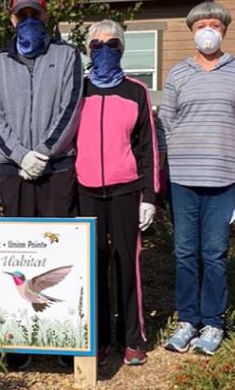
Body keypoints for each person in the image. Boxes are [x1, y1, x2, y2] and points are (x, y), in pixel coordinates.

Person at [0, 0, 84, 370]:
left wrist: (43, 151)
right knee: (18, 256)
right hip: (13, 170)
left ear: (45, 16)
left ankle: (62, 338)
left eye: (34, 13)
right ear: (11, 19)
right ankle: (19, 339)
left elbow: (72, 106)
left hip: (57, 167)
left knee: (58, 253)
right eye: (21, 13)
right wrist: (19, 155)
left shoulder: (68, 55)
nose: (28, 19)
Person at [158, 0, 235, 356]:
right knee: (185, 252)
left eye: (214, 25)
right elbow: (165, 124)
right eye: (201, 26)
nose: (208, 32)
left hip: (224, 177)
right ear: (192, 31)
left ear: (224, 30)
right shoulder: (178, 73)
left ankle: (213, 322)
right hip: (183, 177)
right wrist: (163, 170)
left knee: (214, 253)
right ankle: (187, 320)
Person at [73, 20, 161, 366]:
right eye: (96, 44)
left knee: (128, 263)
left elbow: (148, 148)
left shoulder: (136, 91)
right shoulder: (77, 90)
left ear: (122, 49)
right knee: (93, 264)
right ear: (88, 50)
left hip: (126, 190)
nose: (104, 49)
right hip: (86, 190)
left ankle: (132, 337)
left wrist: (150, 197)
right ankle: (98, 336)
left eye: (111, 43)